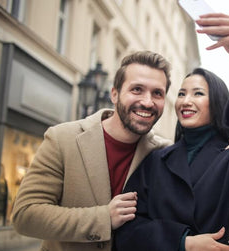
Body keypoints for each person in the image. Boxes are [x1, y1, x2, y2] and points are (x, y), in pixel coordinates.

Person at [114, 13, 229, 251]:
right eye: (181, 93)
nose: (186, 101)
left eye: (198, 93)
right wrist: (182, 242)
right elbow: (128, 230)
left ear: (218, 103)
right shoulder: (156, 160)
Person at [11, 51, 173, 251]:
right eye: (137, 89)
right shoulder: (62, 139)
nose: (148, 102)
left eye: (157, 93)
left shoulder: (164, 152)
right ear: (114, 94)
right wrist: (104, 218)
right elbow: (25, 215)